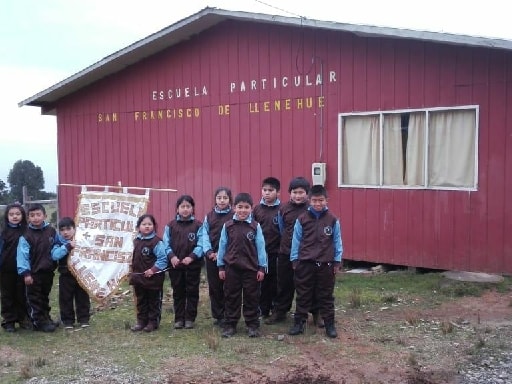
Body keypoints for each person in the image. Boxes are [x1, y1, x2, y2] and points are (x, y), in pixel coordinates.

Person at [288, 185, 343, 338]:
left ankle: (329, 324)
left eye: (321, 200)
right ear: (309, 201)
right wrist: (294, 260)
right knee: (303, 294)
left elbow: (337, 241)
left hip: (326, 264)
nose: (318, 204)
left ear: (327, 200)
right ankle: (299, 323)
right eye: (314, 201)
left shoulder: (332, 220)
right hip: (305, 263)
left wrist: (337, 261)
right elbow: (296, 240)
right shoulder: (302, 219)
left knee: (326, 295)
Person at [217, 192, 267, 338]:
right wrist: (221, 266)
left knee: (252, 297)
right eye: (240, 207)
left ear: (251, 209)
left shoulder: (255, 227)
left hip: (251, 269)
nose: (243, 210)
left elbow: (261, 248)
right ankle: (230, 324)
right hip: (232, 268)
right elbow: (222, 247)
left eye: (246, 207)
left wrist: (262, 267)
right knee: (231, 296)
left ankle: (252, 324)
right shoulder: (228, 226)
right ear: (234, 208)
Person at [265, 177, 310, 325]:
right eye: (294, 192)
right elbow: (282, 228)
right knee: (284, 284)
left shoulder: (311, 209)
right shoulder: (283, 209)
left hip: (307, 254)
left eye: (301, 192)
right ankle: (280, 311)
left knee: (308, 284)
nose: (298, 195)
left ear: (307, 194)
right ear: (289, 193)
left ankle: (316, 312)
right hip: (286, 252)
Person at [163, 195, 204, 330]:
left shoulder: (198, 225)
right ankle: (179, 318)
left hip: (192, 265)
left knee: (192, 291)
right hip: (175, 265)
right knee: (178, 292)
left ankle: (190, 318)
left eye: (188, 206)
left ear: (192, 209)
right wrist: (172, 257)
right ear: (177, 209)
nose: (185, 209)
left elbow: (201, 244)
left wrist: (191, 257)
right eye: (182, 207)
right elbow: (165, 243)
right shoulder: (170, 226)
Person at [16, 203, 58, 332]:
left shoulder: (51, 231)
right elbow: (22, 256)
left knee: (44, 296)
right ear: (28, 218)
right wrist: (26, 273)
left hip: (48, 272)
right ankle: (38, 322)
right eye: (32, 215)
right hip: (33, 274)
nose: (35, 218)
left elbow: (57, 246)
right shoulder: (26, 235)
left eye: (38, 215)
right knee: (35, 298)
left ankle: (46, 318)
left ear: (45, 216)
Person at [129, 214, 168, 332]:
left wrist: (153, 270)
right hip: (138, 278)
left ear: (154, 226)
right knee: (141, 300)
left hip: (153, 279)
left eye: (149, 224)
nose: (147, 227)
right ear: (139, 227)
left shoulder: (156, 242)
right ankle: (141, 321)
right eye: (144, 224)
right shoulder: (135, 241)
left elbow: (163, 259)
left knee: (153, 301)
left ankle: (152, 322)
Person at [201, 187, 233, 326]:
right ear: (215, 199)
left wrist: (222, 253)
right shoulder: (209, 216)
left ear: (229, 199)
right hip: (211, 257)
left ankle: (229, 314)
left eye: (225, 198)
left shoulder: (234, 215)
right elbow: (204, 235)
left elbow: (234, 237)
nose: (222, 200)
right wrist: (209, 252)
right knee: (215, 287)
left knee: (229, 286)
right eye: (219, 198)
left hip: (228, 257)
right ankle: (218, 315)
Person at [51, 217, 91, 329]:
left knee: (82, 297)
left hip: (80, 275)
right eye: (62, 230)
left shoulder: (82, 241)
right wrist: (68, 246)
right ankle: (68, 321)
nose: (66, 232)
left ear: (74, 229)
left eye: (68, 229)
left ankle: (84, 319)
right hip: (65, 275)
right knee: (65, 298)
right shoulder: (59, 243)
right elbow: (55, 255)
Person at [252, 177, 281, 318]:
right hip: (260, 254)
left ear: (278, 192)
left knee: (275, 281)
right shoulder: (256, 209)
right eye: (265, 190)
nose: (267, 193)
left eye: (271, 190)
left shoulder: (282, 209)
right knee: (262, 282)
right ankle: (263, 309)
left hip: (277, 252)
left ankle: (276, 309)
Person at [0, 203, 29, 332]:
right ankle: (9, 321)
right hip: (6, 270)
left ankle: (23, 319)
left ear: (22, 215)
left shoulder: (27, 231)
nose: (15, 216)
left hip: (23, 270)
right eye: (11, 214)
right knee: (7, 295)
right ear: (7, 216)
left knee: (22, 294)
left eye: (17, 214)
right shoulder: (3, 232)